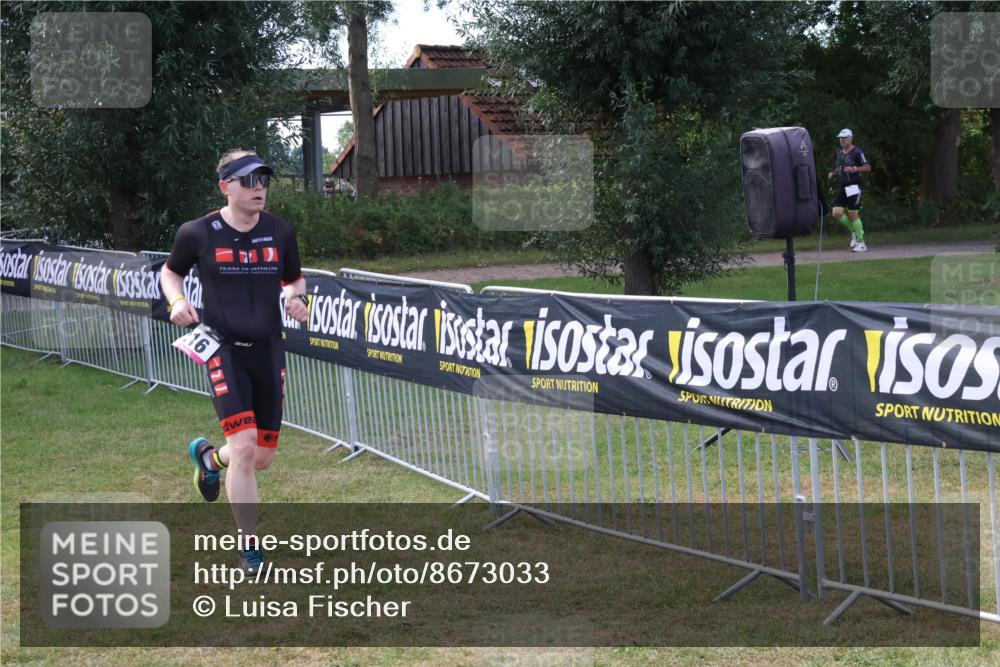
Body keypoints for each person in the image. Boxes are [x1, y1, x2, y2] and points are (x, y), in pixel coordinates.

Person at [160, 149, 309, 572]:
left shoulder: (280, 232)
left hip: (268, 349)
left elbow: (294, 279)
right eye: (248, 180)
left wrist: (298, 298)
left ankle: (210, 460)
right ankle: (250, 549)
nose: (259, 188)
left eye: (263, 179)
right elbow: (170, 272)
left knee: (261, 457)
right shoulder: (197, 232)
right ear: (225, 186)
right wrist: (177, 301)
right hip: (222, 349)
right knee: (243, 449)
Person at [827, 128, 872, 252]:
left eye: (844, 138)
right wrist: (833, 173)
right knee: (836, 212)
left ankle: (861, 243)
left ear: (850, 138)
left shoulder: (857, 152)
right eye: (840, 138)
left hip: (854, 186)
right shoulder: (840, 152)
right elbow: (840, 167)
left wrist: (854, 169)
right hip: (843, 186)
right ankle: (854, 230)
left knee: (853, 214)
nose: (842, 140)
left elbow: (868, 167)